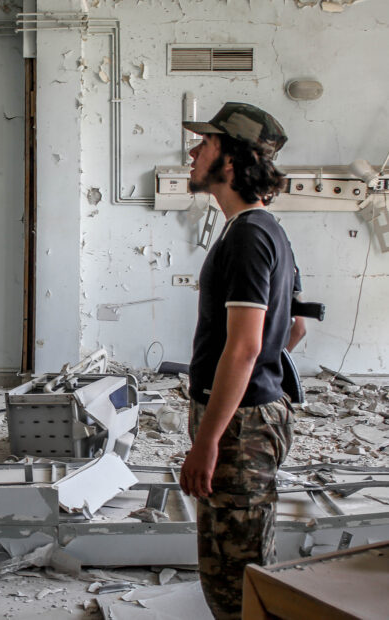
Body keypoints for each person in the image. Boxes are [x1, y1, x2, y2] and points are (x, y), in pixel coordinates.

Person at [179, 102, 305, 619]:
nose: (192, 152)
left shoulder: (249, 237)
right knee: (241, 565)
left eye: (204, 144)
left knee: (236, 580)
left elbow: (247, 346)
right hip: (248, 416)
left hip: (240, 428)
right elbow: (296, 326)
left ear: (229, 162)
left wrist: (209, 440)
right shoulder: (260, 229)